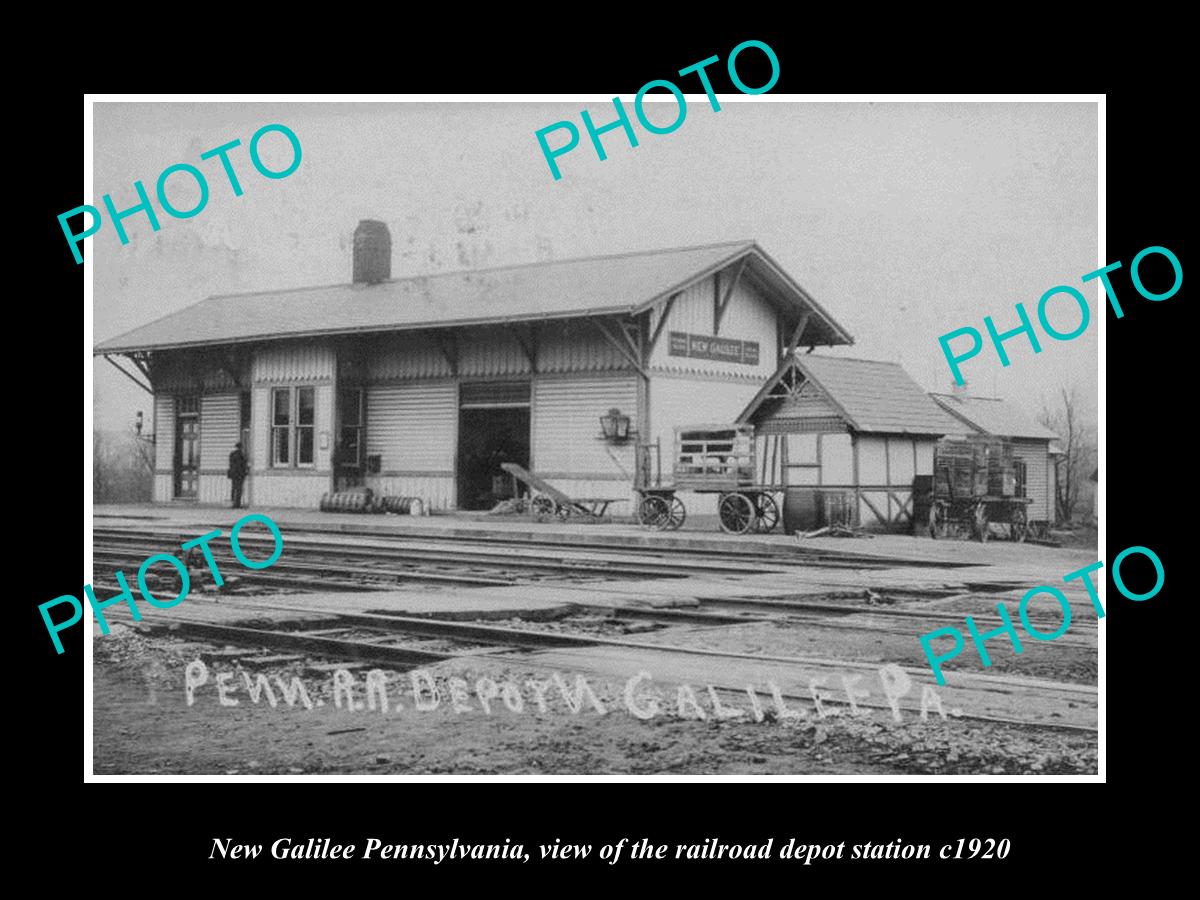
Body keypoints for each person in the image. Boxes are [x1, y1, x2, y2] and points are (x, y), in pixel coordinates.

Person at [227, 442, 248, 508]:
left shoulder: (232, 454)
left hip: (233, 474)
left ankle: (233, 502)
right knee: (239, 489)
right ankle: (237, 503)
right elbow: (243, 465)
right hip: (240, 474)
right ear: (241, 447)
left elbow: (230, 464)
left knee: (234, 488)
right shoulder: (242, 455)